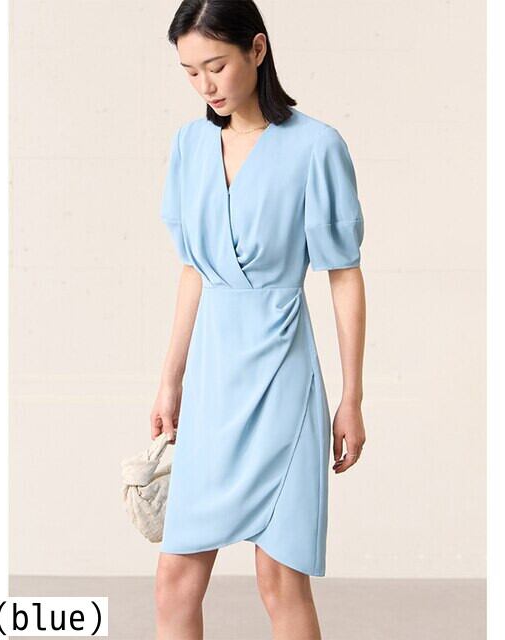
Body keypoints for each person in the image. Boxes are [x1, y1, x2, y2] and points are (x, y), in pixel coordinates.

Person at [150, 1, 366, 638]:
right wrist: (170, 379)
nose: (205, 85)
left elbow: (344, 274)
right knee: (174, 581)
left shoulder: (316, 146)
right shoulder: (189, 145)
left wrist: (352, 397)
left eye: (216, 66)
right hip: (213, 381)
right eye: (190, 72)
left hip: (282, 381)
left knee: (280, 580)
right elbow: (194, 270)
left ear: (258, 49)